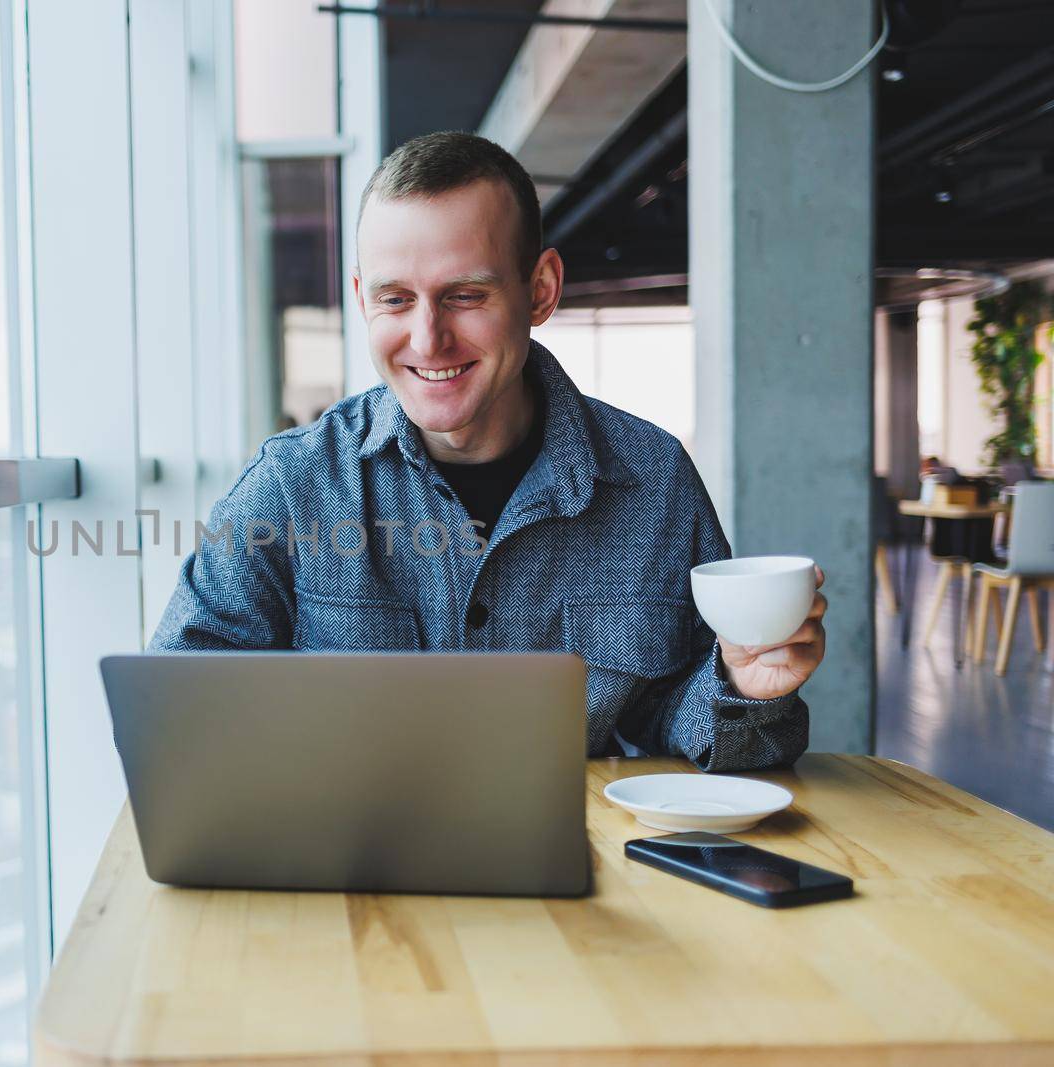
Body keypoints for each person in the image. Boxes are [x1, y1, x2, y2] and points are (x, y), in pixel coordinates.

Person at [150, 131, 827, 772]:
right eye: (395, 299)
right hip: (355, 877)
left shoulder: (653, 480)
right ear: (362, 298)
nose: (426, 339)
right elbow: (177, 717)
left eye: (465, 296)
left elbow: (677, 719)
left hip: (580, 880)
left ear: (540, 290)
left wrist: (746, 684)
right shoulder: (293, 485)